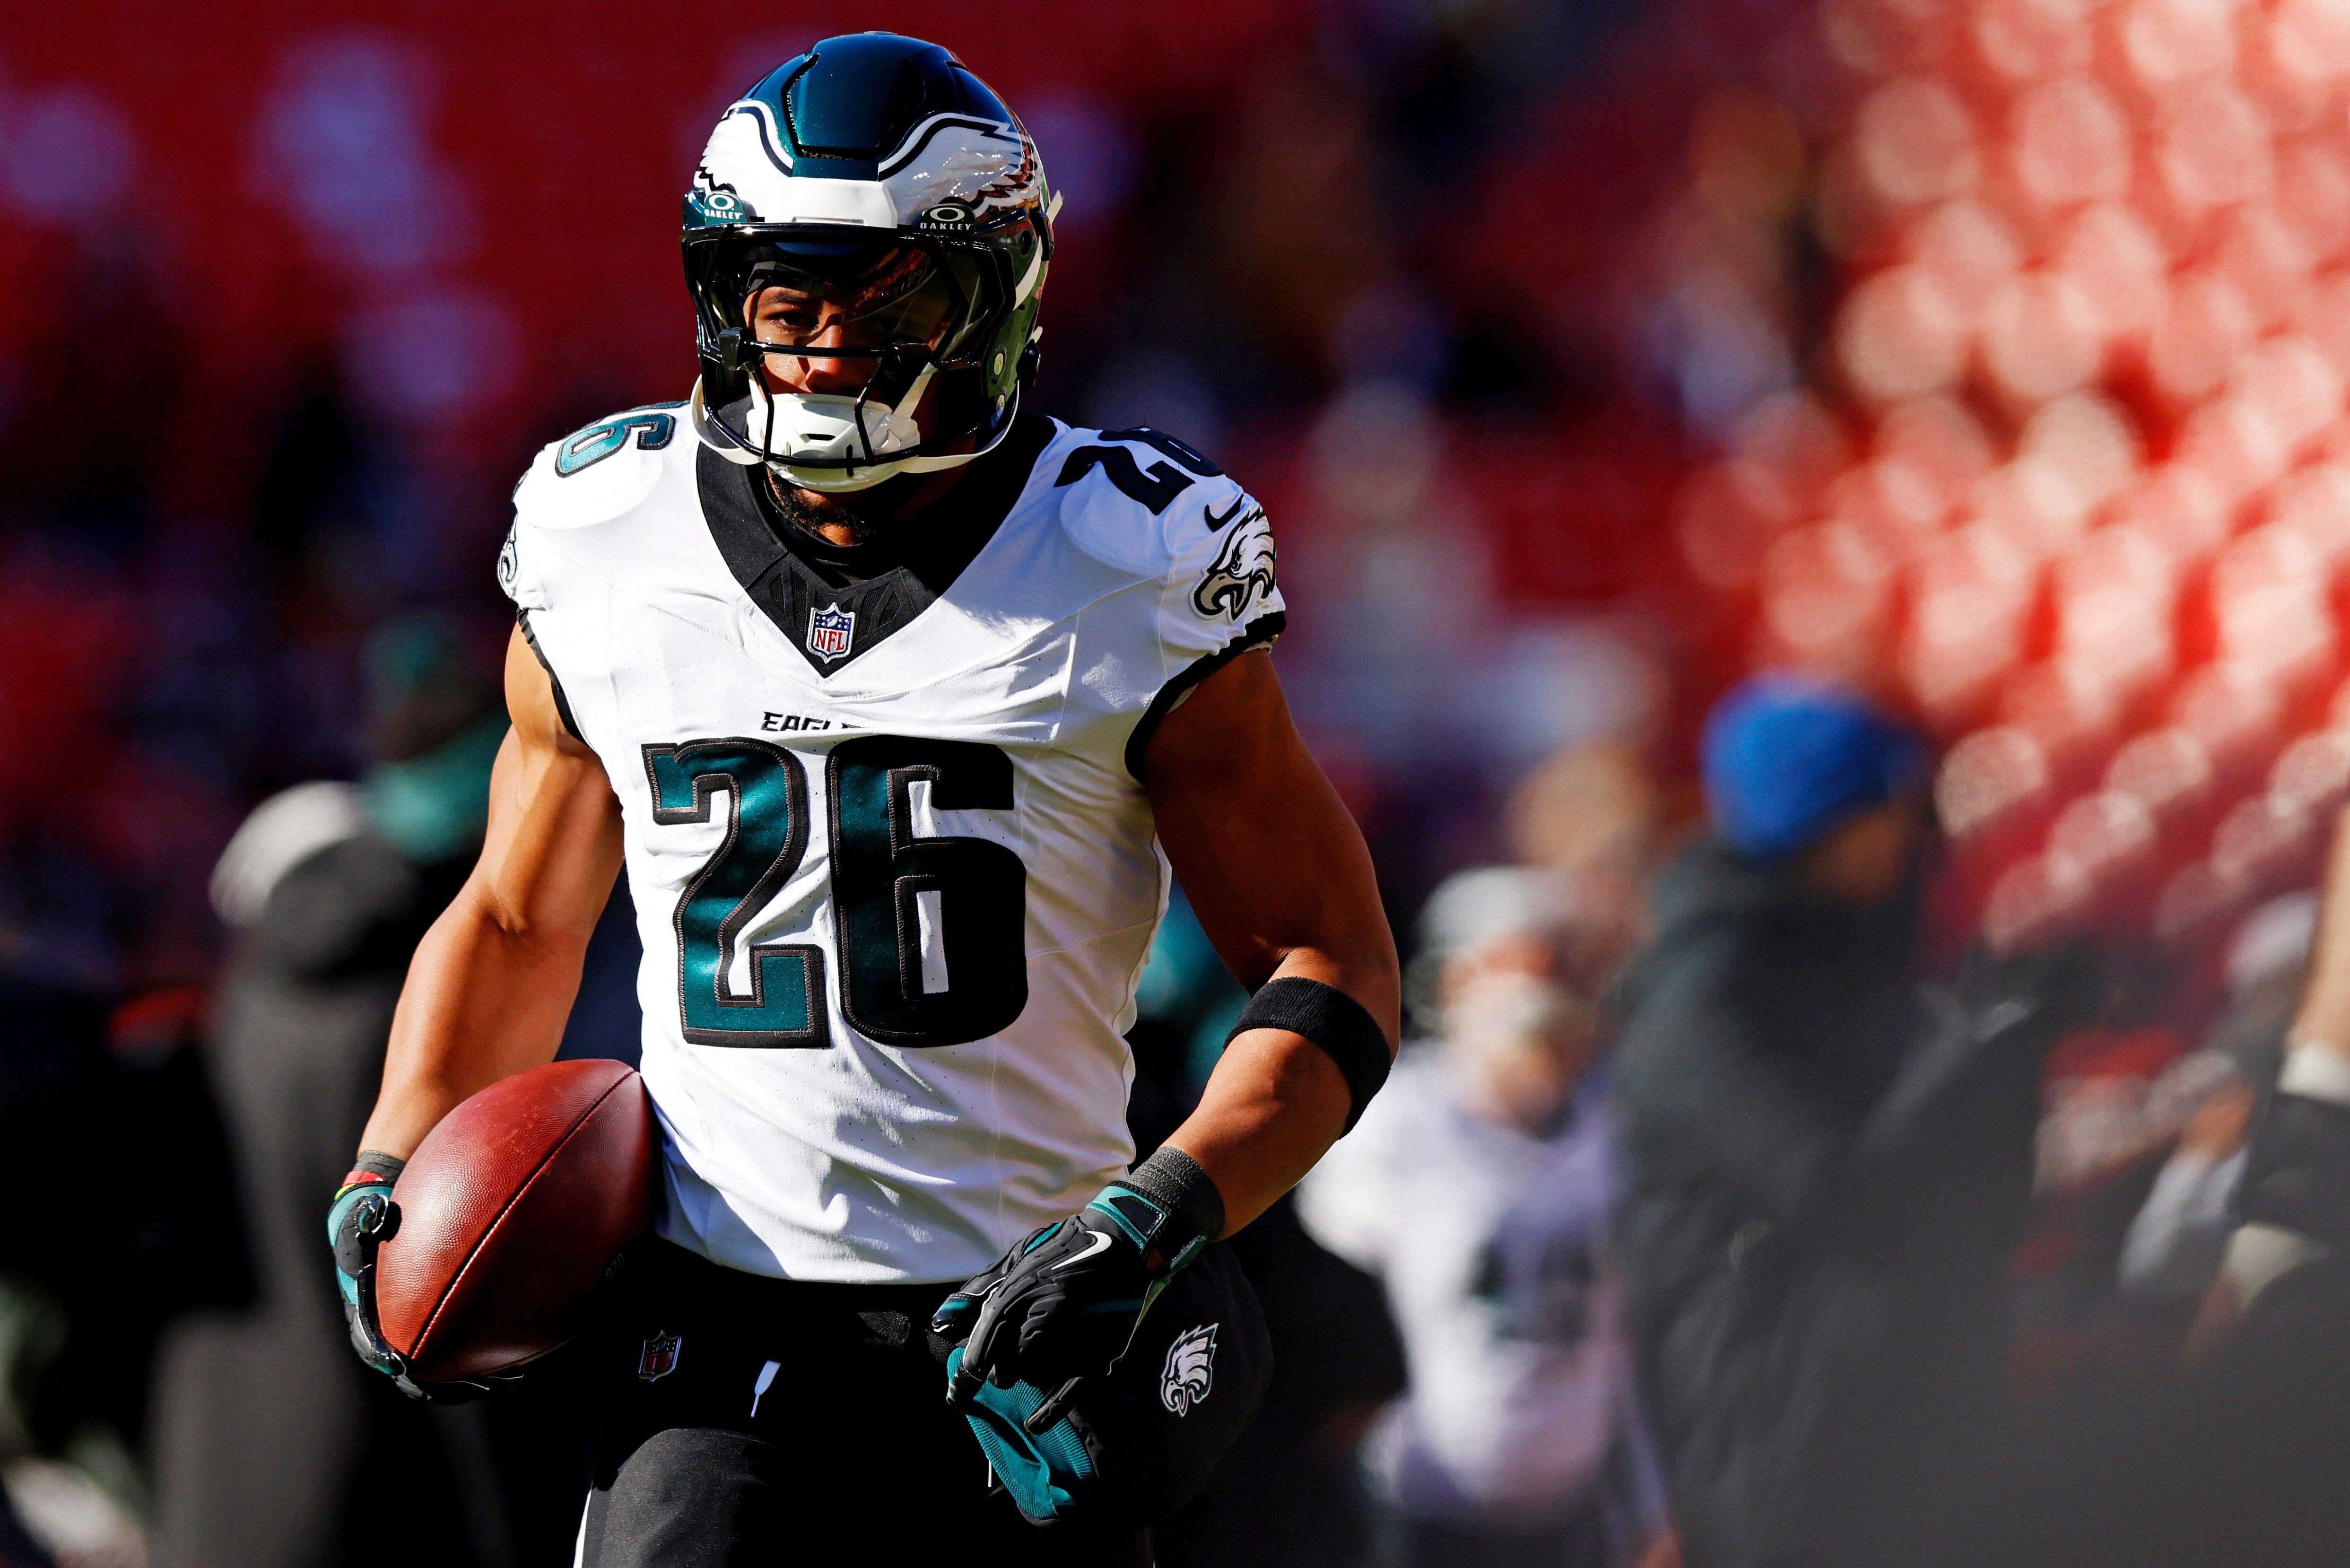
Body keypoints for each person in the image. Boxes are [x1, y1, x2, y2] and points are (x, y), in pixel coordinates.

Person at [329, 34, 1398, 1568]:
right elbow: (512, 907)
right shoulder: (607, 530)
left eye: (877, 291)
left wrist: (1162, 1210)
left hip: (1029, 1336)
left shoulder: (1126, 556)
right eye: (783, 291)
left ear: (996, 290)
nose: (822, 342)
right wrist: (395, 1145)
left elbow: (1332, 957)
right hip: (705, 1324)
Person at [1606, 674, 2099, 1568]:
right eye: (1891, 811)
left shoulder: (1878, 961)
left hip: (1923, 1440)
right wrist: (1989, 1039)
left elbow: (1979, 1209)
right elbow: (1842, 1194)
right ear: (1820, 822)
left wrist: (2011, 1054)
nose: (1911, 839)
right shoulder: (1704, 1006)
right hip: (1787, 1464)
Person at [1300, 865, 1655, 1568]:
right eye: (1524, 959)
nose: (1546, 983)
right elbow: (1326, 1312)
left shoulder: (1620, 1121)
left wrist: (1651, 1505)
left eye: (1561, 962)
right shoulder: (1392, 1122)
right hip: (1414, 1509)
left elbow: (1638, 1340)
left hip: (1577, 1513)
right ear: (1456, 980)